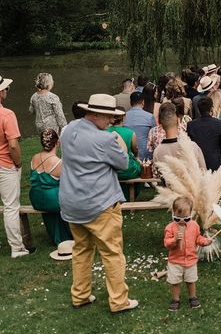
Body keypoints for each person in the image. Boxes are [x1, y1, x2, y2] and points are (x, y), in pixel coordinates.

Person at [59, 94, 138, 313]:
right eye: (108, 117)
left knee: (82, 250)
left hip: (72, 202)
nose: (111, 121)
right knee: (112, 253)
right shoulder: (105, 139)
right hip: (99, 203)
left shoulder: (68, 130)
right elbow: (123, 163)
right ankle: (119, 301)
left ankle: (81, 295)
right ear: (94, 115)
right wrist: (116, 140)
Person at [0, 75, 32, 258]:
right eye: (5, 88)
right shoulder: (7, 114)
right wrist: (18, 163)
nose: (6, 91)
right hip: (5, 164)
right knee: (11, 206)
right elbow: (13, 145)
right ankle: (16, 248)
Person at [164, 197, 212, 310]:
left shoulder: (194, 226)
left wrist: (205, 241)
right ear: (173, 213)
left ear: (191, 214)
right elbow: (167, 243)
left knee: (191, 280)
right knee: (175, 282)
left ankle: (193, 297)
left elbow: (197, 238)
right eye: (177, 218)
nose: (181, 221)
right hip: (175, 261)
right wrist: (174, 240)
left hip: (190, 260)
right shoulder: (170, 228)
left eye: (186, 219)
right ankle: (175, 299)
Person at [29, 128, 73, 245]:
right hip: (52, 200)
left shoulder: (34, 158)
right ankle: (70, 234)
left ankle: (56, 234)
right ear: (57, 142)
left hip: (36, 199)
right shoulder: (58, 162)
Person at [153, 103, 206, 173]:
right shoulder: (192, 146)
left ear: (161, 125)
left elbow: (156, 174)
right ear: (178, 121)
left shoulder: (157, 152)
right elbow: (204, 171)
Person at [187, 97, 221, 172]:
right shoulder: (219, 124)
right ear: (211, 108)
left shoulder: (191, 125)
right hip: (215, 163)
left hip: (197, 163)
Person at [108, 110, 142, 201]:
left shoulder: (104, 131)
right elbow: (135, 150)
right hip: (127, 169)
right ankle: (130, 196)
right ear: (123, 118)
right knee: (142, 169)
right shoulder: (130, 133)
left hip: (109, 168)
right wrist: (136, 158)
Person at [124, 91, 156, 161]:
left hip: (128, 155)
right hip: (145, 156)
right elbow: (154, 134)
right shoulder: (149, 117)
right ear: (143, 102)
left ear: (130, 103)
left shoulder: (124, 116)